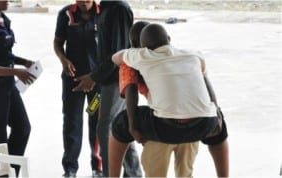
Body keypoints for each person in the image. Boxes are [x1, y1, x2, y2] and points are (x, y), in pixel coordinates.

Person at [111, 23, 229, 177]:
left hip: (165, 125)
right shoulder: (192, 55)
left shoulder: (140, 56)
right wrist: (216, 112)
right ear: (169, 39)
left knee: (121, 123)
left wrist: (133, 126)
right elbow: (205, 82)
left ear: (142, 47)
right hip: (203, 123)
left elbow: (116, 59)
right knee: (217, 126)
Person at [72, 0, 142, 177]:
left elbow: (118, 52)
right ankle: (133, 174)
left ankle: (112, 174)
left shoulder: (118, 9)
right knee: (121, 128)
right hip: (107, 79)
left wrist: (94, 77)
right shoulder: (106, 7)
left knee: (106, 129)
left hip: (118, 79)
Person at [0, 0, 35, 176]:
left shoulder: (3, 20)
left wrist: (23, 62)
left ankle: (11, 172)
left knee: (23, 128)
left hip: (9, 86)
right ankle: (0, 175)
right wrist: (16, 71)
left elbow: (4, 52)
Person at [53, 0, 102, 177]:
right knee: (72, 122)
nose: (83, 2)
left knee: (96, 121)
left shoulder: (103, 13)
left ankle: (98, 167)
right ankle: (70, 168)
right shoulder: (66, 14)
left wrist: (96, 77)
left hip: (97, 83)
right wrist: (63, 60)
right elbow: (58, 42)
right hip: (73, 82)